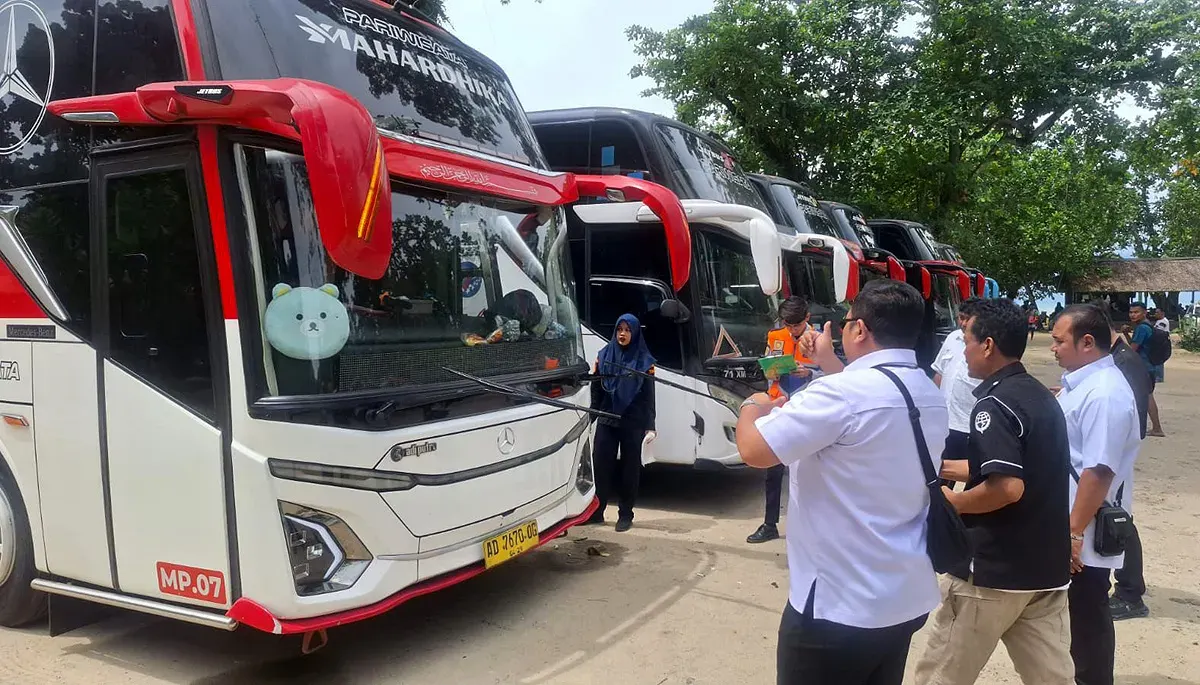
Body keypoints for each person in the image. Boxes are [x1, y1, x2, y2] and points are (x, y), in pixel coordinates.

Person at [735, 280, 947, 685]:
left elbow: (754, 451)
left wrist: (752, 406)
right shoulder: (926, 391)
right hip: (903, 598)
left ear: (861, 330)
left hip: (838, 606)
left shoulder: (839, 394)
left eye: (847, 321)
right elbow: (865, 397)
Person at [914, 299, 1073, 685]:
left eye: (966, 339)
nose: (962, 349)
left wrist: (957, 504)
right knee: (1053, 679)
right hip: (1044, 573)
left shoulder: (992, 404)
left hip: (991, 573)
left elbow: (1007, 486)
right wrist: (938, 468)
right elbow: (1013, 466)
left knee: (939, 677)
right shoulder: (1039, 396)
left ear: (987, 345)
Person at [1051, 304, 1142, 685]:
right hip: (1076, 518)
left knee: (1087, 615)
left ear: (1086, 342)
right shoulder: (1085, 384)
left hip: (1085, 524)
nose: (1052, 348)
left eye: (1058, 341)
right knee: (1077, 615)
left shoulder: (1105, 394)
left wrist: (1074, 532)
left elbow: (1099, 470)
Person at [748, 296, 816, 544]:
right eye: (787, 325)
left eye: (796, 326)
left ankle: (810, 526)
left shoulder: (819, 341)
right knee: (773, 470)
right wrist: (771, 369)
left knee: (807, 472)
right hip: (779, 407)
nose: (792, 330)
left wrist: (810, 372)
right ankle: (769, 524)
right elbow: (768, 370)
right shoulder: (775, 337)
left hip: (807, 411)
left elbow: (832, 374)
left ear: (807, 318)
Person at [589, 313, 656, 532]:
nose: (622, 334)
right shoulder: (604, 355)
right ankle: (596, 512)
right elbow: (597, 388)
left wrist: (650, 425)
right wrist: (591, 414)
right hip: (608, 419)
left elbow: (648, 396)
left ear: (634, 333)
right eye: (620, 330)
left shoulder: (645, 362)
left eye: (627, 330)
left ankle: (626, 514)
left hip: (632, 421)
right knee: (600, 466)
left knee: (630, 470)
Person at [1107, 317, 1152, 621]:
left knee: (1120, 520)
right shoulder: (1118, 358)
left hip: (1117, 454)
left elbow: (1133, 414)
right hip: (1115, 452)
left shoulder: (1126, 362)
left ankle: (1130, 593)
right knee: (1117, 518)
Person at [932, 298, 982, 483]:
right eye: (960, 317)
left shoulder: (986, 345)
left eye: (967, 318)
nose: (962, 322)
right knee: (939, 477)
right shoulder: (952, 338)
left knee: (972, 477)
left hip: (969, 427)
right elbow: (939, 373)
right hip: (944, 423)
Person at [1128, 302, 1166, 437]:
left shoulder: (1141, 329)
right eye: (1131, 312)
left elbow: (1132, 350)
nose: (1133, 315)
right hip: (1150, 366)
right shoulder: (1147, 326)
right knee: (1146, 395)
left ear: (1144, 313)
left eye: (1136, 312)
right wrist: (1127, 334)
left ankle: (1157, 428)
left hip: (1143, 367)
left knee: (1147, 396)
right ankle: (1155, 427)